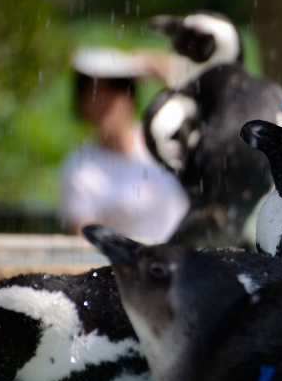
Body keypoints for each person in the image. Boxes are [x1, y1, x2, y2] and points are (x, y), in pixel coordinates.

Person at [59, 48, 189, 243]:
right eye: (94, 98)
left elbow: (215, 107)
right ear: (82, 106)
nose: (103, 107)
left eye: (111, 97)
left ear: (129, 99)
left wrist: (162, 70)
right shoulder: (79, 169)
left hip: (188, 261)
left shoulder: (166, 141)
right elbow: (84, 241)